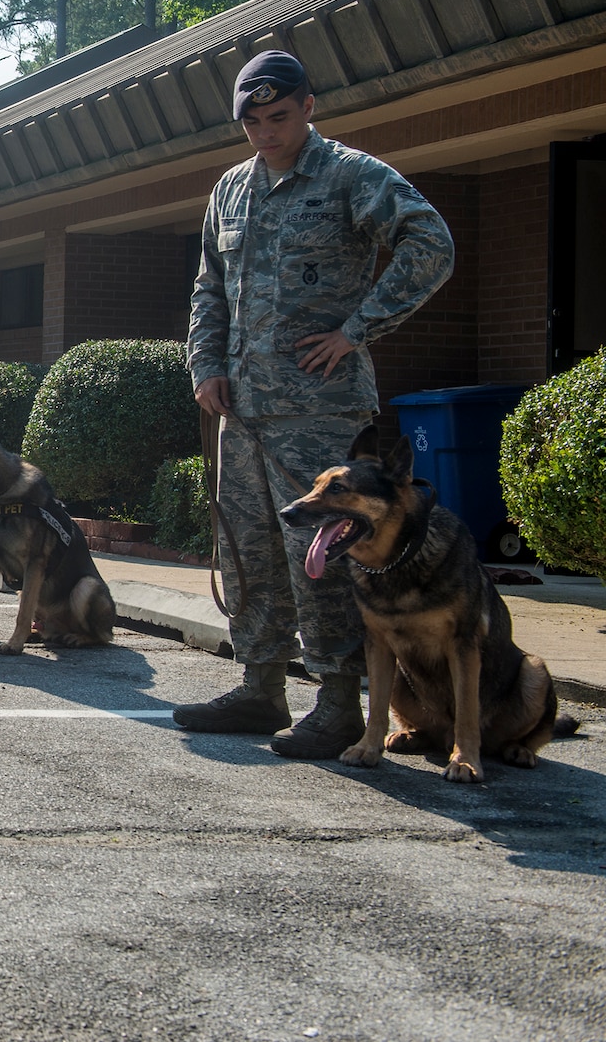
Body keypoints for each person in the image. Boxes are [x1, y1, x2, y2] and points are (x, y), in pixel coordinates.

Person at [175, 50, 455, 757]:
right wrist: (205, 363)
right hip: (242, 411)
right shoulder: (230, 191)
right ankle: (259, 685)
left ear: (308, 106)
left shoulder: (350, 176)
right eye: (253, 121)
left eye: (278, 116)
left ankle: (336, 701)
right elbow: (209, 286)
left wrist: (356, 330)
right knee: (249, 552)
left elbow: (431, 245)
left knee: (321, 555)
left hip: (319, 413)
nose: (266, 132)